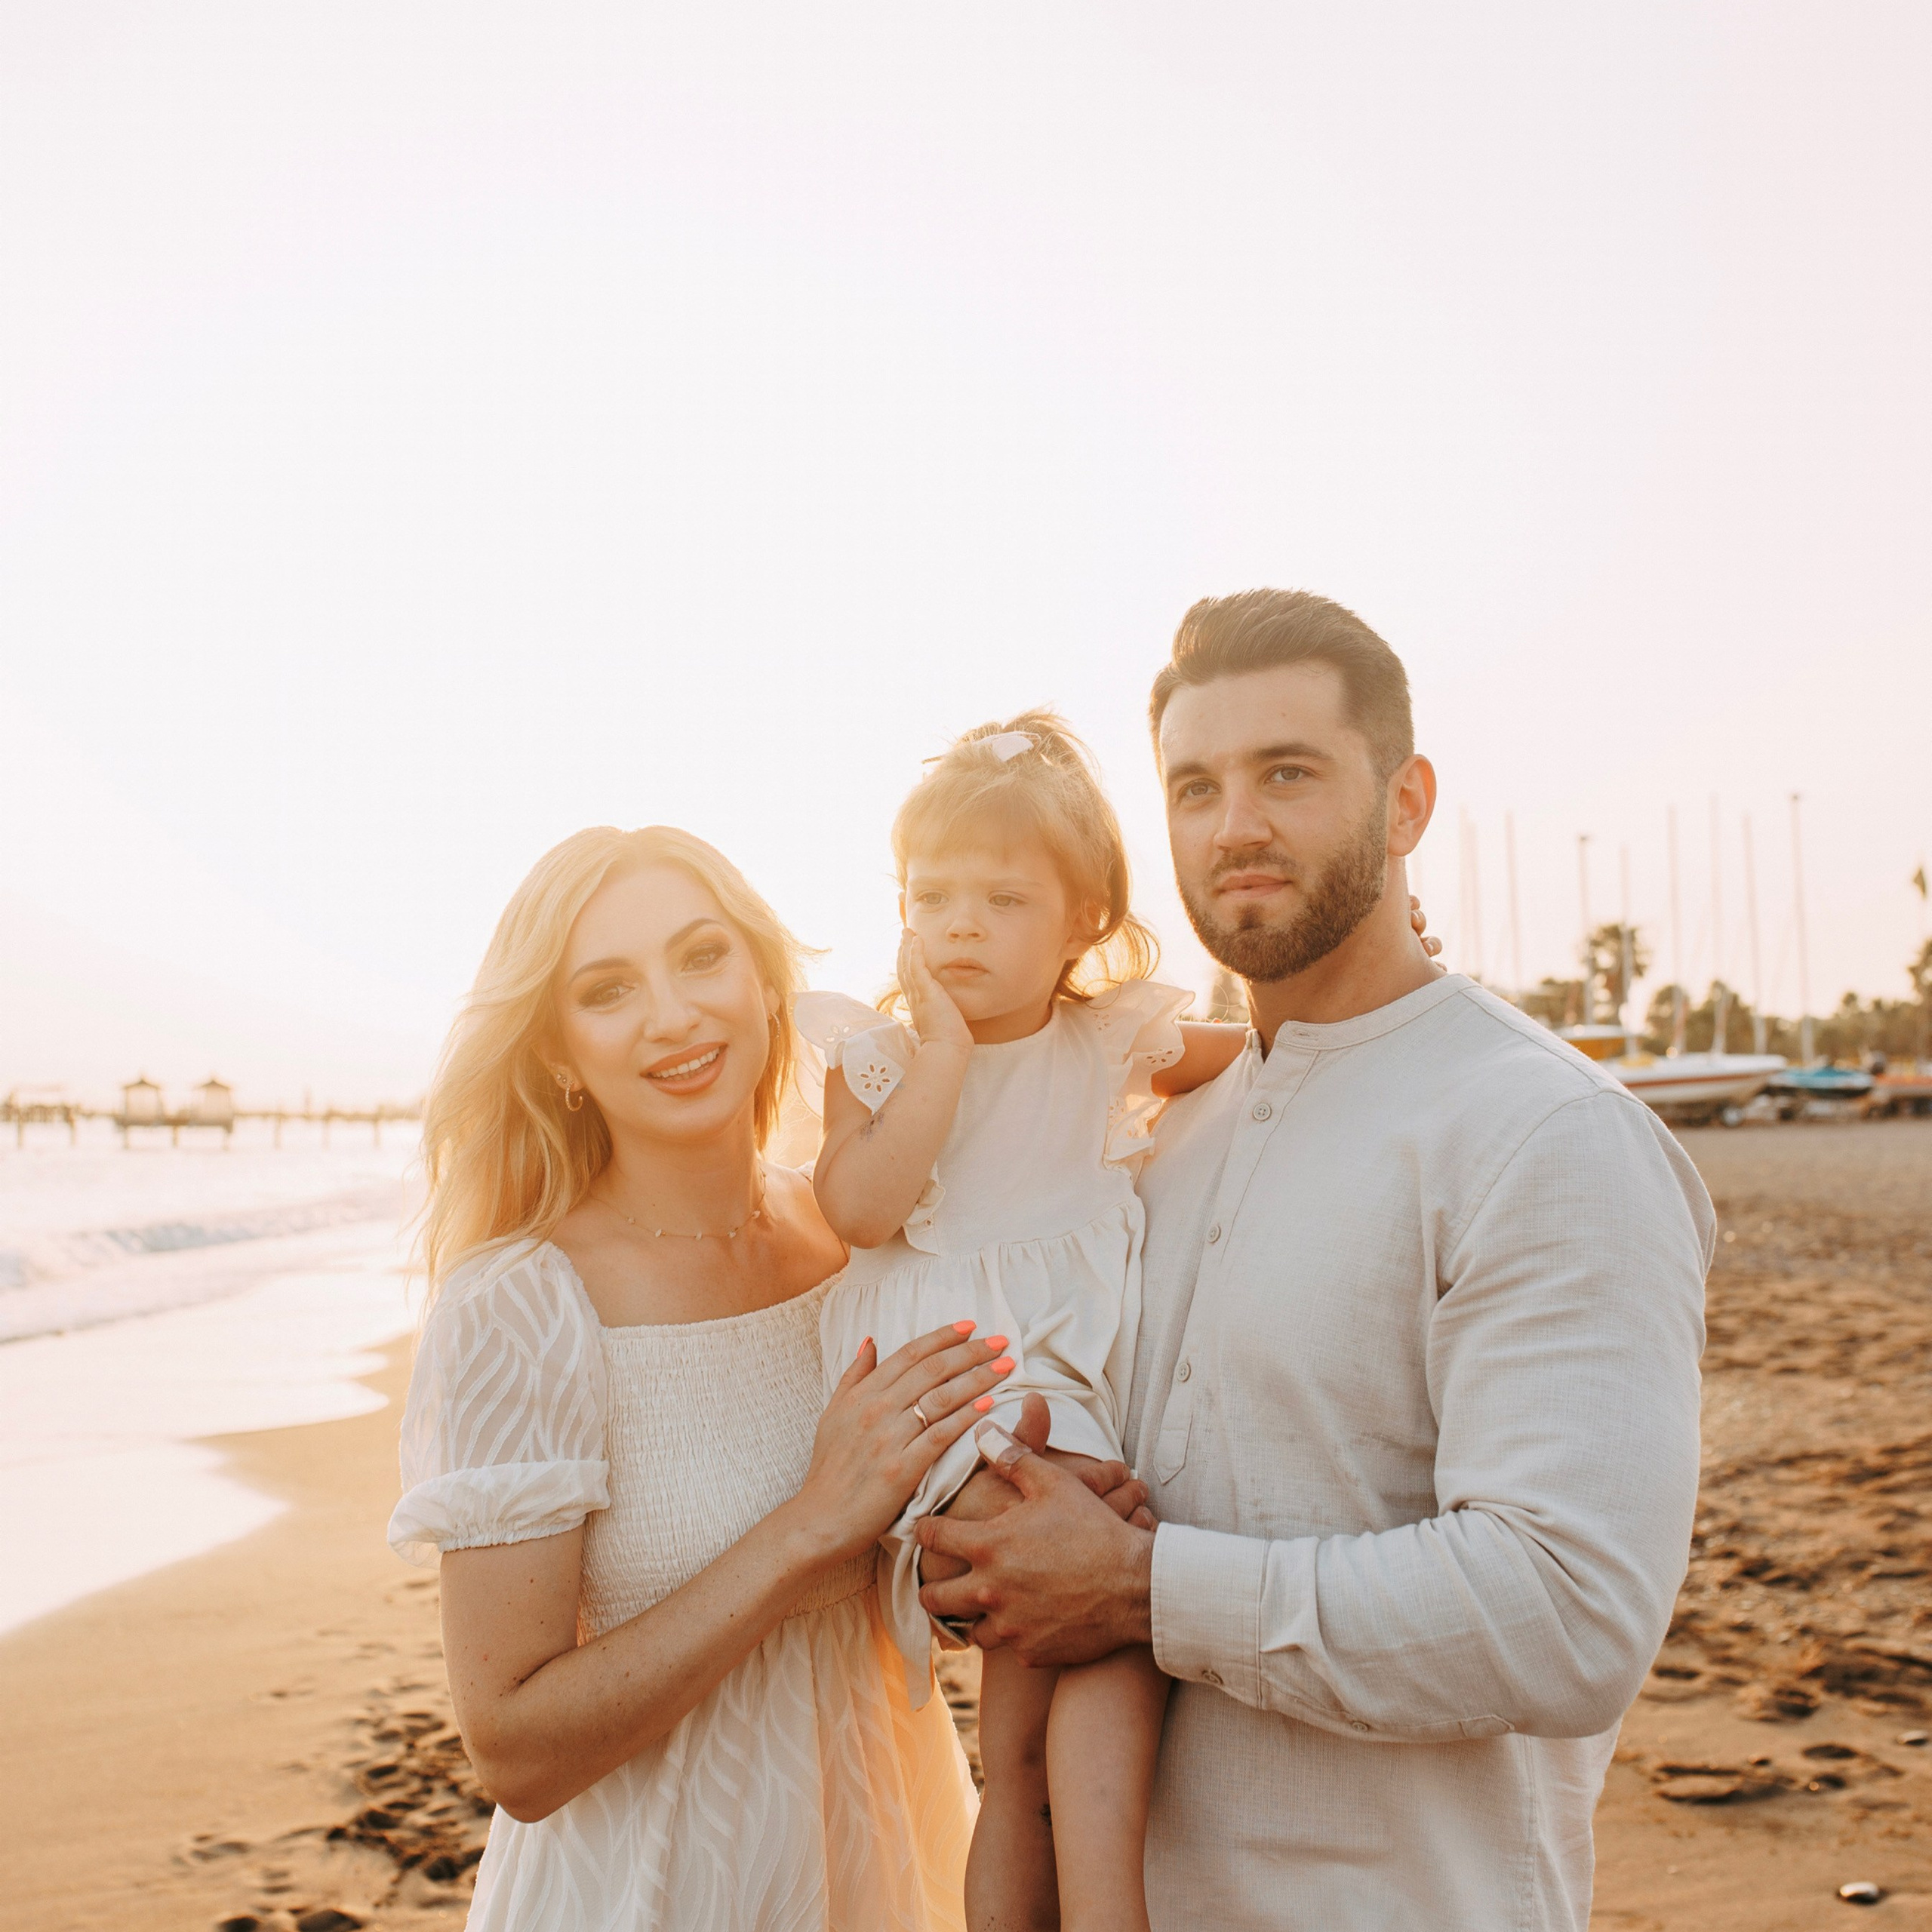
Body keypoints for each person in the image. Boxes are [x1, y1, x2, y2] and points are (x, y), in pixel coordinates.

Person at [916, 590, 1714, 1931]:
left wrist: (1139, 1590)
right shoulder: (1152, 1144)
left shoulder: (1547, 1135)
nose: (1234, 825)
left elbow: (1569, 1614)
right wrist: (984, 1558)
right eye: (1196, 787)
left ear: (1406, 804)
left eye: (1287, 773)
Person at [386, 823, 1141, 1931]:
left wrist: (1006, 1545)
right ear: (557, 1055)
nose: (673, 1015)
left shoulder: (857, 1238)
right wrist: (808, 1530)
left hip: (888, 1854)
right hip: (659, 1892)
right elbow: (513, 1751)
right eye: (608, 990)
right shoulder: (523, 1304)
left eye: (702, 957)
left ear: (763, 981)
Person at [796, 714, 1247, 1932]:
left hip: (1064, 1414)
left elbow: (1273, 1051)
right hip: (936, 1406)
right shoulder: (877, 1060)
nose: (960, 926)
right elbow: (858, 1208)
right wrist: (942, 1054)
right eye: (933, 896)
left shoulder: (1108, 1043)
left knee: (1029, 1756)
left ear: (1083, 920)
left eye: (1003, 900)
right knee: (1108, 1627)